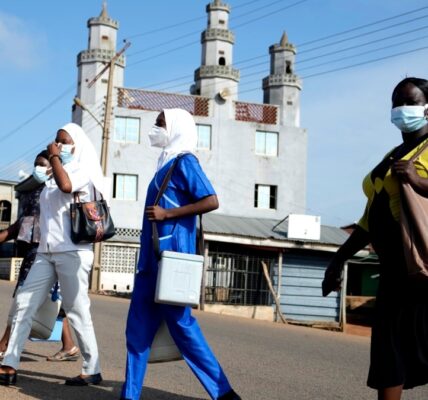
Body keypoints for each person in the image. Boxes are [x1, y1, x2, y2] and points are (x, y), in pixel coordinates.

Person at [121, 109, 241, 400]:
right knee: (136, 330)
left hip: (172, 258)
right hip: (150, 260)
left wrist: (168, 213)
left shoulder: (185, 161)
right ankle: (130, 395)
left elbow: (211, 200)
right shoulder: (164, 163)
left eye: (161, 123)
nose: (156, 127)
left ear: (175, 128)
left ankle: (223, 392)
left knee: (182, 326)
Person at [322, 77, 428, 400]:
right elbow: (369, 219)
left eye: (409, 102)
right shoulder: (392, 153)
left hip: (423, 271)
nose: (400, 110)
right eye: (396, 103)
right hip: (394, 272)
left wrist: (418, 181)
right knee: (388, 359)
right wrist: (338, 259)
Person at [0, 123, 105, 386]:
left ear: (76, 145)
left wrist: (55, 157)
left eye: (63, 141)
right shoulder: (51, 174)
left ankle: (92, 368)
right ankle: (10, 364)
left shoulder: (81, 169)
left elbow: (67, 186)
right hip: (46, 252)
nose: (58, 145)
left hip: (73, 251)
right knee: (24, 303)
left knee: (77, 310)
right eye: (56, 141)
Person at [0, 151, 79, 362]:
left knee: (23, 296)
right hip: (43, 248)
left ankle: (5, 344)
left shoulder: (54, 190)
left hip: (44, 248)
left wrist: (6, 235)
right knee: (54, 300)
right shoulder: (36, 189)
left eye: (42, 164)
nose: (38, 168)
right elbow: (24, 222)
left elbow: (29, 222)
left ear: (53, 166)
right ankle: (69, 346)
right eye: (36, 164)